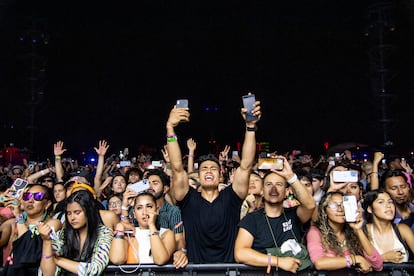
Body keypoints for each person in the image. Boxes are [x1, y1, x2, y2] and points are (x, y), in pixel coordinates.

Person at [165, 96, 261, 263]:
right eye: (204, 169)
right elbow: (177, 168)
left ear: (221, 174)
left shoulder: (231, 198)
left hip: (229, 271)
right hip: (196, 271)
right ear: (197, 175)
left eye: (213, 169)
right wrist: (170, 128)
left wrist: (250, 127)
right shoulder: (188, 199)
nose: (209, 171)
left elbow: (245, 165)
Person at [234, 158, 316, 274]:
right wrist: (278, 261)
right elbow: (240, 253)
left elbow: (310, 205)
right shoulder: (251, 219)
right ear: (262, 190)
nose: (273, 188)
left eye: (279, 184)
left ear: (287, 191)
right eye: (268, 184)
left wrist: (291, 177)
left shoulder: (294, 215)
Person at [38, 189, 113, 275]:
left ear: (88, 212)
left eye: (77, 212)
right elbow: (47, 274)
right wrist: (46, 241)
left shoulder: (104, 233)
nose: (72, 217)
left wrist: (57, 260)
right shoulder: (62, 235)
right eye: (69, 213)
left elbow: (94, 270)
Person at [307, 191, 383, 273]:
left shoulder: (353, 232)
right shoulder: (315, 232)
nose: (340, 209)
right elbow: (319, 263)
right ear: (325, 211)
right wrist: (356, 259)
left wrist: (358, 230)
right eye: (333, 205)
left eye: (344, 205)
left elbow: (378, 265)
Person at [0, 184, 62, 275]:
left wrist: (18, 216)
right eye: (26, 196)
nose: (30, 200)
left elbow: (29, 248)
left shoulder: (53, 224)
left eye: (38, 196)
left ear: (47, 204)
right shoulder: (12, 223)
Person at [109, 192, 176, 266]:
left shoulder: (166, 234)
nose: (144, 212)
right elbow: (117, 260)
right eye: (139, 208)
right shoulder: (128, 234)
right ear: (134, 213)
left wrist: (151, 225)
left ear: (156, 210)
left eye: (149, 206)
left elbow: (160, 260)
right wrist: (120, 226)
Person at [362, 189, 414, 263]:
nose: (388, 205)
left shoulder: (402, 229)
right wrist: (383, 258)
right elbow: (359, 264)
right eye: (381, 202)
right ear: (370, 209)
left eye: (390, 202)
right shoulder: (363, 232)